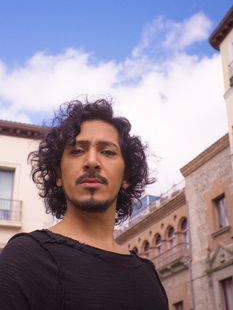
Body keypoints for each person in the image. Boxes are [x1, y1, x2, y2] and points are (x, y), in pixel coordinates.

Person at [0, 98, 168, 310]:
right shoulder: (25, 259)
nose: (91, 161)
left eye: (107, 152)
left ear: (126, 176)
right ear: (58, 174)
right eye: (77, 151)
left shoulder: (148, 276)